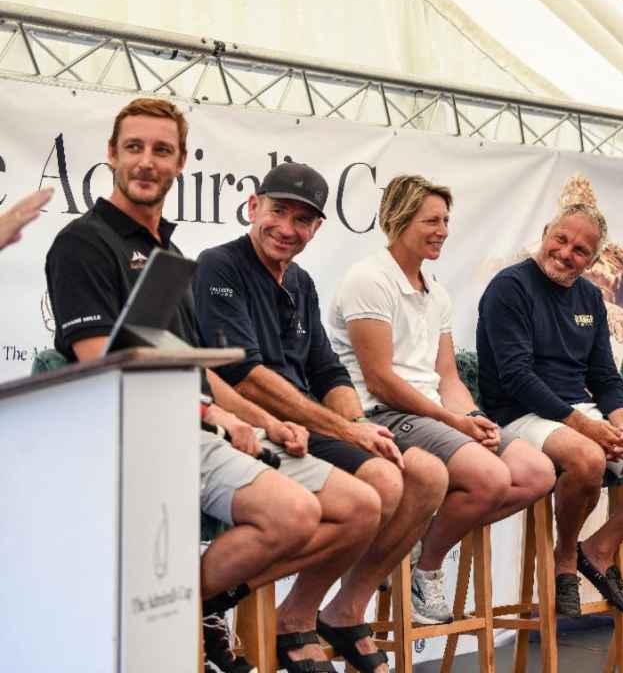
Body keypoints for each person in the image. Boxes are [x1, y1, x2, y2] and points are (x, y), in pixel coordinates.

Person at [44, 98, 381, 673]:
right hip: (134, 436)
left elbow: (193, 367)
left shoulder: (168, 253)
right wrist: (217, 416)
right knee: (294, 516)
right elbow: (103, 364)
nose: (147, 162)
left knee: (360, 506)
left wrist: (263, 422)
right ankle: (165, 610)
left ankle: (190, 603)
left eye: (162, 150)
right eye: (134, 148)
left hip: (194, 426)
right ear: (111, 155)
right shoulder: (83, 242)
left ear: (180, 165)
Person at [194, 165, 450, 668]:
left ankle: (313, 614)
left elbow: (327, 370)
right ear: (253, 207)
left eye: (303, 220)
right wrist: (344, 428)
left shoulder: (302, 282)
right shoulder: (217, 266)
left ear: (317, 229)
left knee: (419, 476)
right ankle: (219, 600)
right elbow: (245, 376)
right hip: (253, 425)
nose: (288, 228)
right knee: (379, 488)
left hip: (302, 425)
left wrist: (358, 424)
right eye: (279, 212)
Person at [324, 174, 555, 623]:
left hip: (432, 414)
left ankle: (412, 540)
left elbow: (447, 377)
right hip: (383, 414)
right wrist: (454, 423)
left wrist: (470, 415)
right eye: (432, 220)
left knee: (535, 472)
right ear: (399, 219)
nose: (443, 231)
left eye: (446, 220)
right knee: (490, 478)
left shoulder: (438, 292)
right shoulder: (368, 279)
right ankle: (425, 569)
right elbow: (381, 381)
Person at [477, 192, 623, 617]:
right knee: (588, 458)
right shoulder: (509, 287)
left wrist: (621, 420)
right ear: (544, 234)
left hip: (579, 414)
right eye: (560, 240)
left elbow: (605, 377)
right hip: (519, 415)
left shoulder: (590, 299)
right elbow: (517, 378)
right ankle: (563, 562)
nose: (565, 254)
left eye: (580, 250)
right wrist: (587, 427)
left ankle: (597, 548)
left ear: (592, 260)